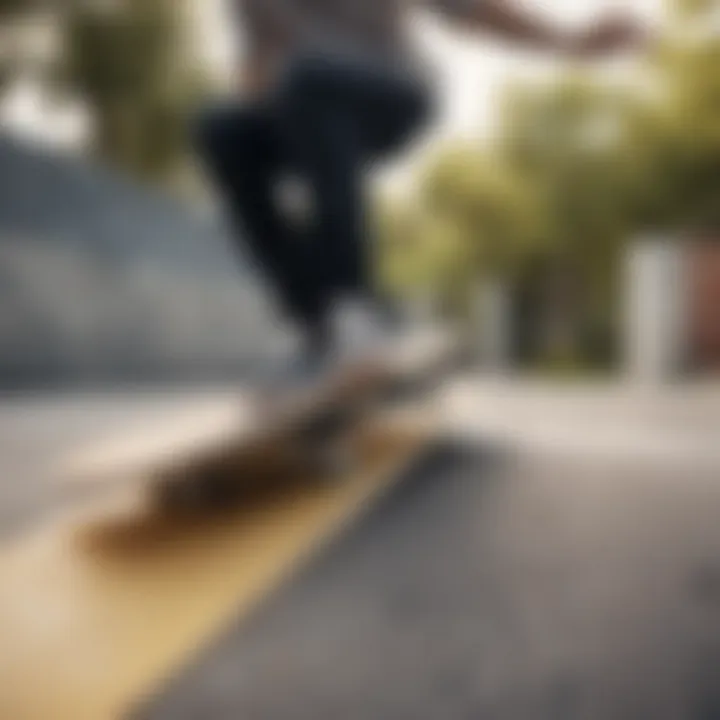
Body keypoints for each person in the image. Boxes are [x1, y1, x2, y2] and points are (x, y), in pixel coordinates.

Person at [194, 0, 645, 384]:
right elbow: (256, 66)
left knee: (309, 76)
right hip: (308, 106)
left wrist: (571, 42)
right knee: (221, 129)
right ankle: (312, 321)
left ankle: (353, 309)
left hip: (395, 90)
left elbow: (475, 11)